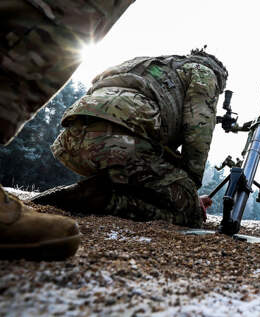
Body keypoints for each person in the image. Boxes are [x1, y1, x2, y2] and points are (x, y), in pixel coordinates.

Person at [1, 0, 155, 260]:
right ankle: (108, 196)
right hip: (109, 150)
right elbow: (196, 135)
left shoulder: (142, 67)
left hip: (66, 142)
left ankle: (89, 192)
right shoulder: (199, 77)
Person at [31, 49, 227, 228]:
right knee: (190, 216)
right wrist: (189, 193)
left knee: (142, 180)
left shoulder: (152, 64)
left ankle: (81, 193)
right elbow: (198, 132)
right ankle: (104, 201)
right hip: (119, 144)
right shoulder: (204, 73)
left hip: (73, 141)